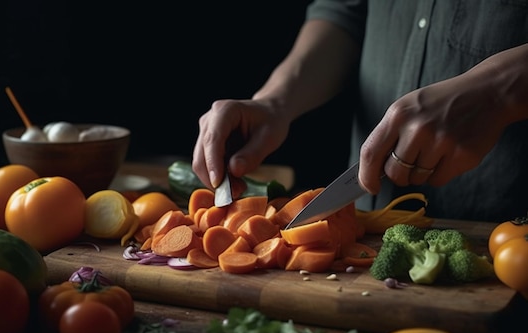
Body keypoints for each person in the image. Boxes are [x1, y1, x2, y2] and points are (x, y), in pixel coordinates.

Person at [191, 1, 528, 223]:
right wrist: (274, 102)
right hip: (369, 216)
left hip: (508, 226)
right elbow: (346, 12)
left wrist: (497, 90)